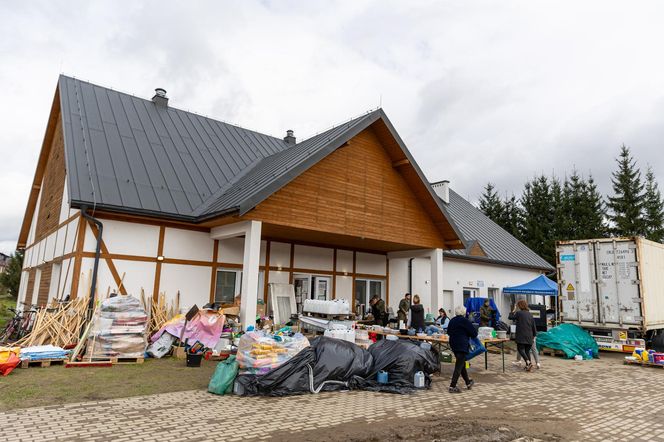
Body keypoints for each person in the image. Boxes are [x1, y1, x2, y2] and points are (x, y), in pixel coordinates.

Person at [447, 305, 477, 393]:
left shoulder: (452, 320)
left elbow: (448, 332)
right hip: (462, 345)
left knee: (461, 364)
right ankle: (452, 386)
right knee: (459, 365)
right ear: (464, 313)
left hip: (453, 344)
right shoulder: (465, 321)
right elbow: (474, 334)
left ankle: (468, 383)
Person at [509, 300, 538, 371]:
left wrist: (513, 310)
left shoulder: (519, 313)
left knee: (520, 349)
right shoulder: (530, 314)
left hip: (521, 335)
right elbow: (533, 326)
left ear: (520, 306)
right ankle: (528, 365)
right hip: (529, 336)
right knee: (527, 351)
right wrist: (534, 335)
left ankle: (528, 362)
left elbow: (510, 317)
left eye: (518, 306)